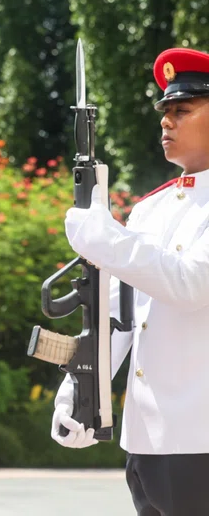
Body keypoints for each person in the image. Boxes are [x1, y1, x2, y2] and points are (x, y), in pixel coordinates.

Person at [53, 47, 209, 515]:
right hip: (145, 439)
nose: (166, 121)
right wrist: (78, 392)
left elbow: (190, 286)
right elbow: (121, 317)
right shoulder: (150, 209)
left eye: (183, 110)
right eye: (165, 111)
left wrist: (107, 240)